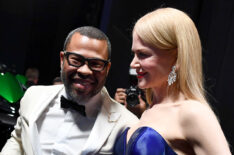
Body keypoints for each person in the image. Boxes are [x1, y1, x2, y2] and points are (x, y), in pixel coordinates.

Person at [1, 26, 138, 155]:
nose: (85, 71)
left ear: (107, 69)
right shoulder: (33, 96)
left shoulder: (126, 124)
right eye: (76, 60)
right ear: (62, 60)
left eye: (95, 64)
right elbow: (18, 140)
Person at [114, 8, 231, 155]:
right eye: (134, 54)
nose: (133, 64)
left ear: (177, 58)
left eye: (143, 54)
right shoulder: (149, 111)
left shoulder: (192, 113)